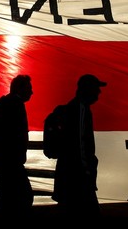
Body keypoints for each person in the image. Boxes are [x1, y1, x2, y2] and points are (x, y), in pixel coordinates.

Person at [51, 73, 107, 220]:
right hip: (77, 177)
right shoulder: (80, 110)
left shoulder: (78, 108)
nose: (99, 92)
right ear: (88, 89)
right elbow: (80, 144)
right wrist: (87, 171)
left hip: (72, 175)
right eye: (96, 88)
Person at [0, 75, 34, 219]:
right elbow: (14, 135)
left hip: (2, 159)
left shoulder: (7, 103)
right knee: (22, 197)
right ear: (20, 88)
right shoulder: (15, 105)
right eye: (29, 88)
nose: (31, 92)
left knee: (6, 195)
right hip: (9, 161)